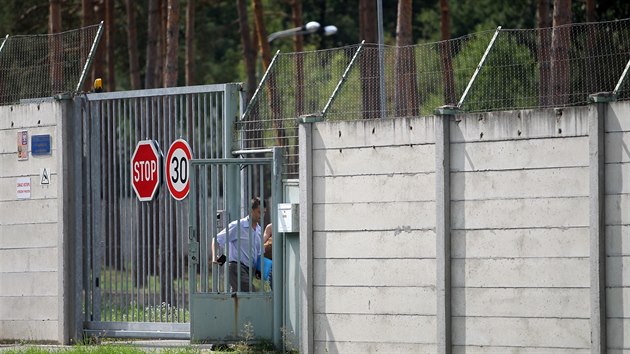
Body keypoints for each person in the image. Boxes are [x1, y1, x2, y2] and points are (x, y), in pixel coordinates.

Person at [215, 197, 265, 292]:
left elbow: (259, 253)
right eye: (259, 212)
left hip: (249, 270)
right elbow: (217, 239)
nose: (262, 215)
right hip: (236, 268)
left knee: (238, 299)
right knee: (251, 294)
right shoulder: (238, 225)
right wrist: (215, 257)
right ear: (251, 211)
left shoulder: (259, 230)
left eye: (264, 212)